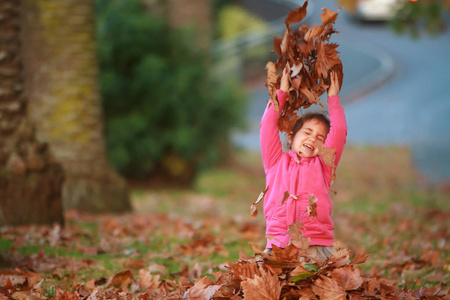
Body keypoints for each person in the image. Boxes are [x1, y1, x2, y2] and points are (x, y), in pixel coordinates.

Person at [260, 68, 347, 262]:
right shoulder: (276, 161)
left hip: (314, 246)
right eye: (307, 132)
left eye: (320, 137)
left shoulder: (324, 165)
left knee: (315, 288)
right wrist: (281, 92)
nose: (312, 139)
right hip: (278, 244)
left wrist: (333, 99)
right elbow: (267, 125)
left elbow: (339, 132)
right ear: (291, 138)